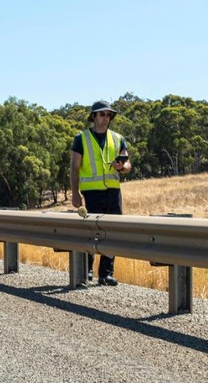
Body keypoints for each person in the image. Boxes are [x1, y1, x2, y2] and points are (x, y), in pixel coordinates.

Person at [70, 100, 131, 286]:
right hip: (92, 193)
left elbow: (128, 165)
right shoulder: (81, 138)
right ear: (93, 116)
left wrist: (122, 167)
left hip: (113, 192)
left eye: (108, 115)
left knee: (112, 232)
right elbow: (74, 168)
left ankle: (106, 274)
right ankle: (87, 270)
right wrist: (75, 194)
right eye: (102, 114)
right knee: (92, 232)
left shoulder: (117, 138)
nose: (106, 118)